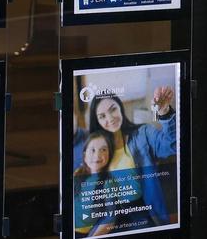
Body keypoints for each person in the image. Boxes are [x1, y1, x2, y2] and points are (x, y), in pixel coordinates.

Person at [75, 85, 177, 230]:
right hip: (108, 219)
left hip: (143, 214)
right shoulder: (96, 149)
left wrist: (164, 112)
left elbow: (172, 145)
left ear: (120, 107)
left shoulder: (143, 135)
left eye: (113, 109)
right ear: (97, 121)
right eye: (102, 116)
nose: (110, 118)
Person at [73, 131, 116, 236]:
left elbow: (110, 218)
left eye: (103, 150)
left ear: (109, 155)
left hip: (83, 233)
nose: (97, 155)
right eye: (92, 150)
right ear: (84, 155)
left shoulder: (107, 183)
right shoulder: (77, 173)